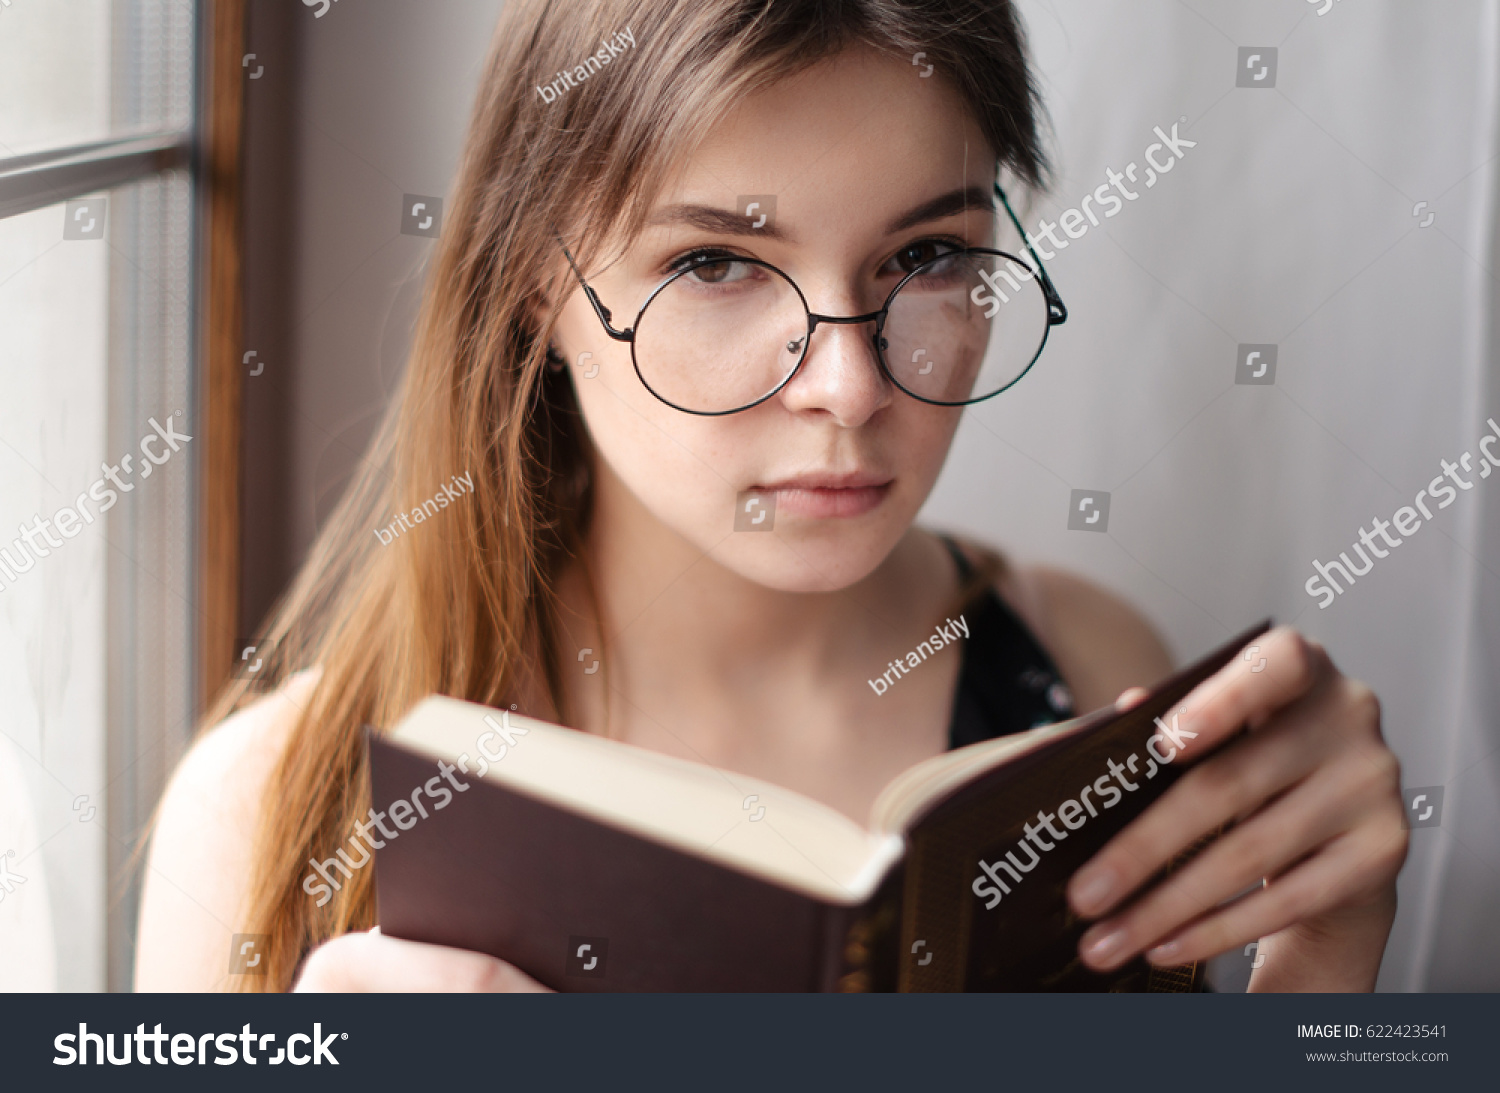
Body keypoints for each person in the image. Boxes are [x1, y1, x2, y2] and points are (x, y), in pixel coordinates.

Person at [135, 0, 1407, 993]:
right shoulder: (274, 810)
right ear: (535, 286)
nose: (849, 387)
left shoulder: (1087, 669)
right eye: (716, 264)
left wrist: (1324, 964)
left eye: (927, 256)